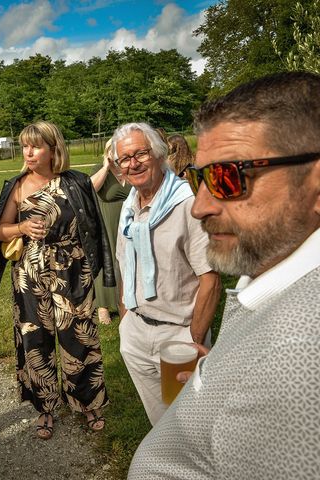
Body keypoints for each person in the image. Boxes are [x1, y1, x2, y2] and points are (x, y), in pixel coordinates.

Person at [128, 71, 320, 479]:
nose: (200, 207)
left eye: (228, 177)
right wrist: (227, 369)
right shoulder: (279, 291)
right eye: (201, 177)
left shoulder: (297, 353)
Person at [0, 121, 114, 440]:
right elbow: (0, 231)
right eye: (25, 146)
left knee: (79, 339)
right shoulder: (16, 185)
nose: (28, 152)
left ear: (53, 149)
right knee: (35, 343)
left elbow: (96, 229)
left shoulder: (77, 182)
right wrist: (22, 229)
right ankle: (44, 408)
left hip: (73, 271)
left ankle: (88, 402)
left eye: (36, 146)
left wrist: (100, 267)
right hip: (31, 274)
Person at [113, 122, 221, 426]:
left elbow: (210, 281)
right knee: (160, 424)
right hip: (135, 333)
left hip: (179, 334)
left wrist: (193, 339)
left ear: (159, 155)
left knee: (191, 422)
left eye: (140, 154)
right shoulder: (129, 207)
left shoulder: (187, 203)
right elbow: (125, 265)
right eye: (125, 158)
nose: (133, 164)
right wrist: (126, 323)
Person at [90, 137, 131, 324]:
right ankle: (103, 306)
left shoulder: (129, 168)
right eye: (113, 151)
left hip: (130, 220)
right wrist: (106, 167)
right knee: (107, 259)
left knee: (128, 260)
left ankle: (125, 300)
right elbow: (89, 189)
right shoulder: (99, 169)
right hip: (107, 220)